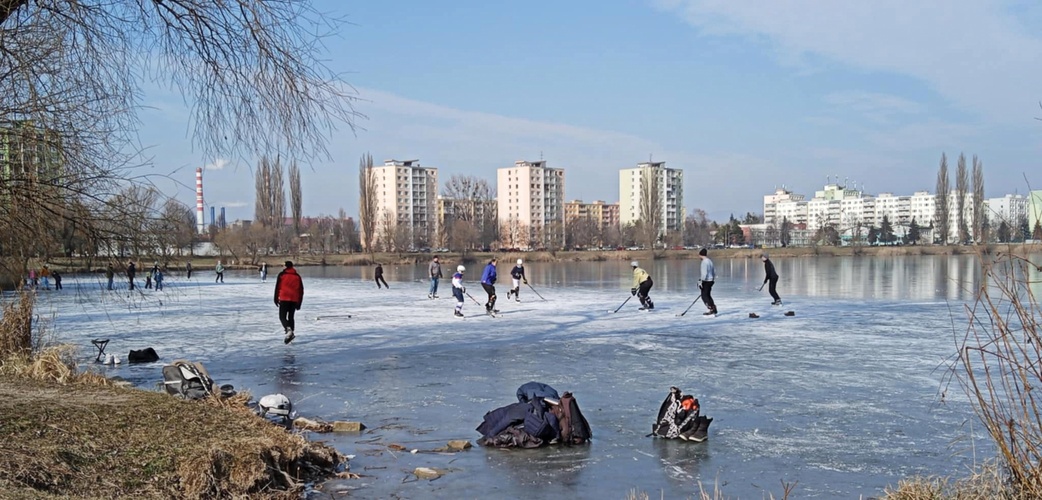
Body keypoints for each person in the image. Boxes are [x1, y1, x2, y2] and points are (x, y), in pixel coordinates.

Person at [274, 261, 304, 344]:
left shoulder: (282, 275)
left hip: (284, 298)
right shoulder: (297, 276)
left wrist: (275, 299)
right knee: (291, 317)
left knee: (282, 317)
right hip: (294, 299)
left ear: (285, 266)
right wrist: (299, 302)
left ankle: (288, 330)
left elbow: (277, 287)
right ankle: (291, 334)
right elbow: (301, 290)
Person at [698, 248, 717, 316]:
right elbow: (714, 271)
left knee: (704, 296)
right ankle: (713, 307)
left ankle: (710, 309)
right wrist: (713, 278)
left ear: (701, 255)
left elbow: (704, 273)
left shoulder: (704, 262)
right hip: (711, 280)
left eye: (699, 255)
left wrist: (700, 281)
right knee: (708, 295)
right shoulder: (709, 261)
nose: (699, 257)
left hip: (706, 281)